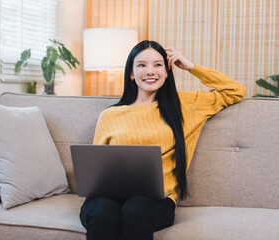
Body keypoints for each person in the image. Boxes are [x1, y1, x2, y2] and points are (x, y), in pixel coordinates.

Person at [79, 40, 246, 240]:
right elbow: (96, 169)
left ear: (167, 72)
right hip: (108, 197)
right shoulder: (110, 115)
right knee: (101, 213)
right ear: (131, 73)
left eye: (158, 65)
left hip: (155, 200)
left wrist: (191, 66)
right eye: (142, 65)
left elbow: (235, 90)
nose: (150, 71)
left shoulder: (186, 105)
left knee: (134, 211)